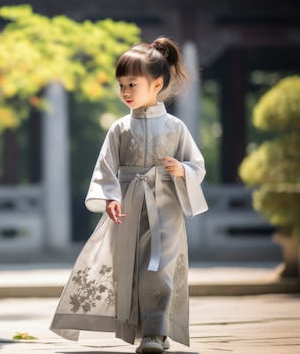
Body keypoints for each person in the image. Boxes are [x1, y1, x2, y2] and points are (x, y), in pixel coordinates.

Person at [50, 36, 208, 353]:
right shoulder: (120, 128)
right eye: (121, 85)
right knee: (131, 268)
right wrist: (110, 197)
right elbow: (106, 167)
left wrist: (182, 169)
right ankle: (139, 328)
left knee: (159, 265)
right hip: (129, 205)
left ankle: (156, 332)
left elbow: (197, 164)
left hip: (165, 205)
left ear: (157, 83)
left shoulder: (176, 127)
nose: (125, 92)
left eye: (132, 84)